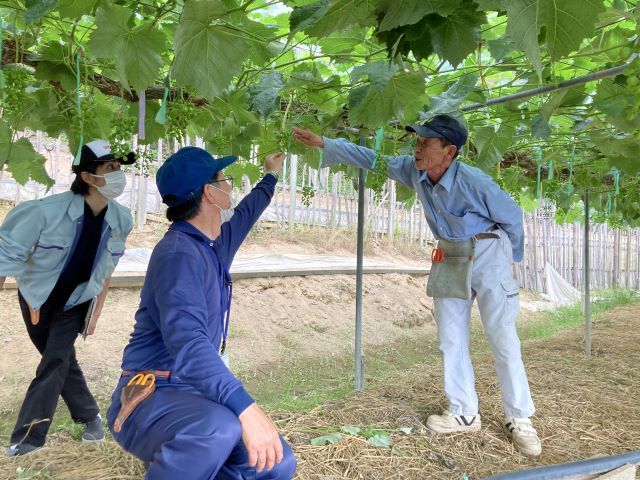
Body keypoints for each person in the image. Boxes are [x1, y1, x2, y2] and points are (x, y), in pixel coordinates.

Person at [292, 115, 542, 457]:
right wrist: (325, 143)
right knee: (450, 338)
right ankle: (464, 413)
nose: (417, 148)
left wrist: (509, 259)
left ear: (449, 152)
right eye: (417, 141)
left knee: (502, 336)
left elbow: (512, 215)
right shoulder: (414, 171)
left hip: (487, 251)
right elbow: (373, 160)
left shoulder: (474, 181)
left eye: (425, 143)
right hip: (451, 253)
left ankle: (520, 418)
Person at [106, 147, 296, 479]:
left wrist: (272, 175)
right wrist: (245, 408)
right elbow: (188, 344)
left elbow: (248, 212)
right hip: (153, 395)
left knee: (276, 463)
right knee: (218, 428)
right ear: (211, 193)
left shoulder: (211, 246)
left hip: (193, 394)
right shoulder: (178, 255)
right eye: (225, 181)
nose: (230, 188)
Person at [0, 140, 135, 456]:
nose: (119, 174)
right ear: (88, 177)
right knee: (60, 361)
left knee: (55, 361)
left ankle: (29, 438)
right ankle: (90, 417)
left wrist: (96, 312)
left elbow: (106, 270)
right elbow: (5, 261)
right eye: (110, 167)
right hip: (37, 299)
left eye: (119, 167)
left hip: (77, 301)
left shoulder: (121, 219)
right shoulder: (41, 214)